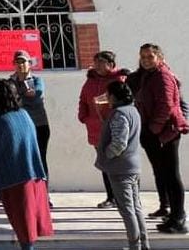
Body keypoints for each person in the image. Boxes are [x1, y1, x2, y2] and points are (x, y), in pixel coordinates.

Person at [0, 79, 53, 250]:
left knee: (24, 232)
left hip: (14, 180)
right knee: (28, 230)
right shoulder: (25, 115)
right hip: (35, 176)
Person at [127, 43, 188, 234]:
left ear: (159, 58)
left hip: (165, 132)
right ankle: (172, 216)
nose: (145, 60)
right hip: (152, 132)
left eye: (150, 57)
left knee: (171, 175)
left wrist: (153, 130)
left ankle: (179, 218)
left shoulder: (163, 76)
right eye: (143, 57)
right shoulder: (147, 76)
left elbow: (166, 107)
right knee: (163, 174)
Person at [96, 80, 148, 250]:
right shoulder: (133, 110)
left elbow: (119, 143)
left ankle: (135, 246)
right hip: (132, 166)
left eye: (108, 94)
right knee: (136, 206)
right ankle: (143, 243)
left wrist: (107, 155)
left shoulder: (119, 114)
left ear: (113, 95)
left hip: (120, 168)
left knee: (127, 210)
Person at [77, 50, 129, 208]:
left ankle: (125, 197)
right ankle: (111, 197)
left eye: (101, 62)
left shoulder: (120, 79)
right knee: (105, 164)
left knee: (121, 163)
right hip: (95, 129)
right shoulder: (90, 81)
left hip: (114, 128)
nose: (97, 65)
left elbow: (127, 101)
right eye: (96, 61)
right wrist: (83, 117)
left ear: (111, 65)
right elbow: (83, 100)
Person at [9, 50, 51, 198]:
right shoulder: (10, 83)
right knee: (21, 159)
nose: (21, 65)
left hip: (39, 125)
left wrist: (23, 98)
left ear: (29, 64)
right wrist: (24, 97)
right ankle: (25, 193)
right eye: (18, 62)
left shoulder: (37, 80)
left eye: (24, 62)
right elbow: (11, 101)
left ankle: (44, 194)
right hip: (19, 127)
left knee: (40, 159)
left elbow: (36, 95)